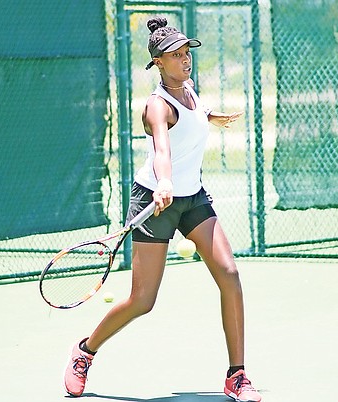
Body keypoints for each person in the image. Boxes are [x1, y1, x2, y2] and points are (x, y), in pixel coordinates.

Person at [63, 16, 262, 402]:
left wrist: (207, 117)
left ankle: (236, 376)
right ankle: (84, 352)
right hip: (155, 200)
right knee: (143, 300)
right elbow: (162, 148)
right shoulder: (157, 105)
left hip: (192, 199)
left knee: (230, 274)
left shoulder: (189, 90)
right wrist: (165, 181)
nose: (185, 59)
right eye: (176, 55)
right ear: (158, 62)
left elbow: (187, 121)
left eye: (187, 52)